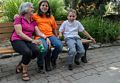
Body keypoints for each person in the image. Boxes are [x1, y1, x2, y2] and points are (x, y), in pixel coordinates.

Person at [10, 2, 48, 81]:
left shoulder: (33, 20)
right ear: (25, 9)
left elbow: (37, 32)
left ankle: (21, 64)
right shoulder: (19, 18)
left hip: (27, 40)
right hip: (17, 40)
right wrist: (32, 40)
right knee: (27, 52)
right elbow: (19, 33)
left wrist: (45, 37)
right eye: (31, 7)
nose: (33, 9)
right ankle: (25, 71)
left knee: (36, 50)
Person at [32, 0, 63, 71]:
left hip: (50, 35)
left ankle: (53, 59)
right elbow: (25, 17)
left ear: (48, 8)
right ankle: (40, 64)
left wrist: (56, 36)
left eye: (46, 6)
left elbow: (54, 28)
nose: (45, 7)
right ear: (39, 6)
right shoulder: (34, 15)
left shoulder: (51, 16)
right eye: (43, 5)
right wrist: (17, 16)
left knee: (59, 46)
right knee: (44, 49)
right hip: (40, 37)